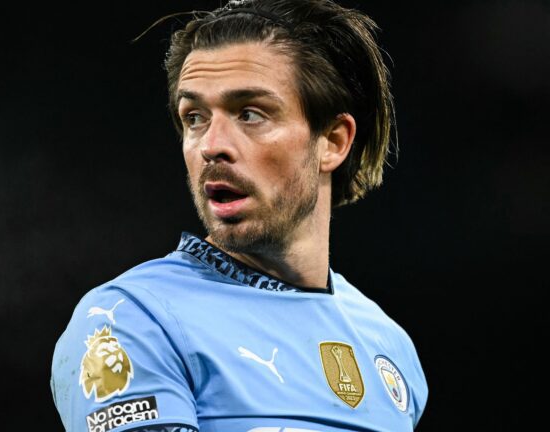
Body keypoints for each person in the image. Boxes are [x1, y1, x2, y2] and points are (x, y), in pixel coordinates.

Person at [51, 0, 428, 430]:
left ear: (333, 141)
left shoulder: (388, 345)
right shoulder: (128, 321)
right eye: (195, 118)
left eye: (250, 114)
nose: (211, 145)